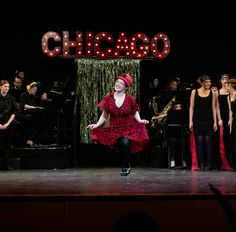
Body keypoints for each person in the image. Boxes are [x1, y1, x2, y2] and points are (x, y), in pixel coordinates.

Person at [87, 73, 149, 176]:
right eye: (117, 82)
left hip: (128, 127)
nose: (118, 84)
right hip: (115, 128)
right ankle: (126, 161)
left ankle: (125, 166)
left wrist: (140, 120)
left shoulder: (130, 99)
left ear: (126, 87)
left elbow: (135, 111)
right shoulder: (108, 98)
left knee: (125, 142)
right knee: (120, 146)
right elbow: (105, 114)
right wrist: (97, 125)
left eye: (121, 83)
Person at [189, 75, 217, 171]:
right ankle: (201, 164)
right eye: (207, 82)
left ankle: (208, 164)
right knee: (200, 141)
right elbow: (191, 107)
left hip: (208, 119)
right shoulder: (194, 92)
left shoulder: (212, 92)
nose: (209, 84)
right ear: (202, 82)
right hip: (197, 120)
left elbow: (214, 107)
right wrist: (190, 121)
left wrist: (215, 121)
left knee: (208, 141)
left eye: (210, 82)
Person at [0, 80, 17, 170]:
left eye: (8, 86)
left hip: (8, 122)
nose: (6, 88)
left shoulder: (11, 98)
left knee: (7, 144)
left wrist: (7, 123)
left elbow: (14, 112)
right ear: (0, 87)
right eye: (5, 86)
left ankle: (5, 164)